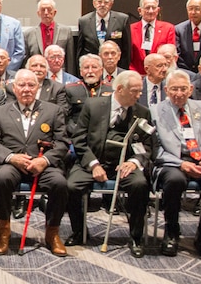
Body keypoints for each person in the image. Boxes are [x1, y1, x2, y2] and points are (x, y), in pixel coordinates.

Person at [65, 70, 155, 257]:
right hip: (94, 161)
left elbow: (147, 145)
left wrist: (134, 161)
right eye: (135, 91)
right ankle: (79, 230)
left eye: (140, 91)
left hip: (124, 165)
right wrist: (94, 165)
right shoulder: (93, 106)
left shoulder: (142, 111)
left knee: (140, 185)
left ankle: (136, 236)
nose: (139, 95)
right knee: (71, 186)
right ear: (120, 89)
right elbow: (79, 140)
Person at [0, 69, 70, 256]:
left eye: (31, 85)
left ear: (38, 88)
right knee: (0, 179)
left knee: (60, 183)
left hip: (43, 163)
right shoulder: (0, 112)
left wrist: (45, 160)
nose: (26, 89)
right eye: (22, 85)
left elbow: (63, 142)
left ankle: (52, 233)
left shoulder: (53, 110)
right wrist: (11, 157)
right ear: (14, 88)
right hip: (12, 163)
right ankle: (4, 232)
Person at [152, 70, 201, 258]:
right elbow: (155, 148)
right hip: (173, 162)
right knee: (174, 182)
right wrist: (181, 164)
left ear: (190, 89)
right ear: (166, 90)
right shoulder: (155, 111)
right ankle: (171, 230)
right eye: (173, 89)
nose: (178, 93)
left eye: (182, 89)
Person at [76, 0, 131, 70]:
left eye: (106, 2)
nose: (102, 5)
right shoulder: (84, 21)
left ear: (111, 4)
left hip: (115, 68)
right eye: (99, 2)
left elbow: (126, 49)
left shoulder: (122, 19)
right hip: (92, 68)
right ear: (94, 3)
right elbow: (81, 49)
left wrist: (123, 71)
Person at [23, 0, 76, 75]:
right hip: (37, 74)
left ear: (54, 12)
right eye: (43, 10)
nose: (46, 12)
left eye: (49, 9)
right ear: (38, 13)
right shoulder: (29, 34)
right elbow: (26, 60)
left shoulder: (66, 31)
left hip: (59, 75)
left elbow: (70, 60)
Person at [129, 0, 176, 75]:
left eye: (153, 8)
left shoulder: (168, 28)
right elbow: (127, 54)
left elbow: (170, 55)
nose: (151, 11)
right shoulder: (130, 29)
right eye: (147, 8)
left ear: (158, 10)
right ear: (140, 10)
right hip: (136, 74)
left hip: (160, 74)